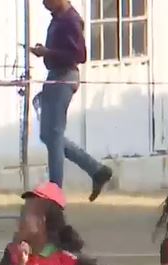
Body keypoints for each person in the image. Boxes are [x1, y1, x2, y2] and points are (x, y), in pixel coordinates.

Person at [30, 0, 113, 201]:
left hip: (64, 76)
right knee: (49, 135)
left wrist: (48, 52)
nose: (44, 4)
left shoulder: (71, 20)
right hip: (55, 75)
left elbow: (79, 55)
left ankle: (55, 191)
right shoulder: (58, 19)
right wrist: (46, 52)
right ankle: (96, 170)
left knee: (54, 134)